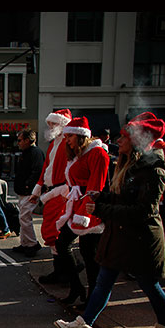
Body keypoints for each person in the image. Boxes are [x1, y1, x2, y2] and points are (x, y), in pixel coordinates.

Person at [55, 114, 165, 328]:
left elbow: (144, 211)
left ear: (138, 140)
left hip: (141, 239)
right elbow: (125, 198)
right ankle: (84, 324)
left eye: (124, 137)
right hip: (124, 235)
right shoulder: (131, 166)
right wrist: (105, 197)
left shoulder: (153, 170)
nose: (118, 141)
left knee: (149, 285)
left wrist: (103, 207)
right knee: (103, 280)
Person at [54, 117, 109, 305]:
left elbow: (95, 187)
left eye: (69, 136)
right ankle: (79, 288)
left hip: (90, 210)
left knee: (89, 254)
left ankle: (91, 295)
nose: (66, 140)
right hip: (80, 206)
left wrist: (84, 214)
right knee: (76, 248)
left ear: (80, 135)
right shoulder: (81, 154)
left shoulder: (97, 154)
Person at [29, 109, 73, 283]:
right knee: (50, 232)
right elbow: (46, 168)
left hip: (60, 192)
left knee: (54, 233)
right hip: (52, 192)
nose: (50, 127)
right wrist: (37, 190)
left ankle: (64, 272)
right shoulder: (55, 143)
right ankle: (62, 271)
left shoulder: (67, 144)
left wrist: (67, 191)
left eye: (53, 123)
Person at [12, 130, 45, 257]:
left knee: (25, 218)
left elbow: (38, 171)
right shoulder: (28, 152)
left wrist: (28, 184)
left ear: (27, 140)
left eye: (20, 140)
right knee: (23, 218)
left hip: (29, 191)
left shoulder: (35, 153)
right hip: (25, 190)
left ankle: (31, 244)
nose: (18, 143)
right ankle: (25, 243)